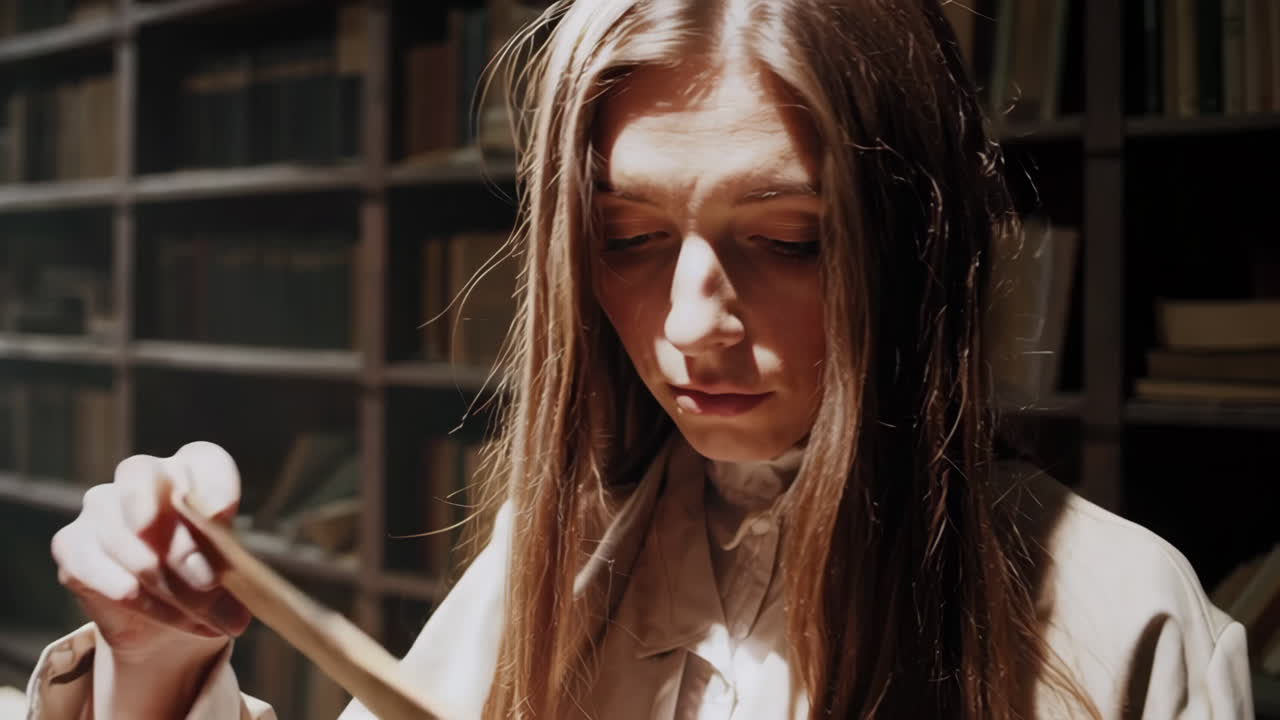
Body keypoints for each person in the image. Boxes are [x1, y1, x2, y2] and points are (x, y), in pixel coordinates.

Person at [23, 1, 1255, 718]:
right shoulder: (553, 563)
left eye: (785, 239)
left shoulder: (1127, 621)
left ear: (916, 245)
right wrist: (159, 659)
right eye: (628, 238)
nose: (691, 322)